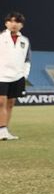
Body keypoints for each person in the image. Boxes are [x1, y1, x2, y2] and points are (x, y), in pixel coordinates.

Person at [0, 12, 31, 141]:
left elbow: (27, 60)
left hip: (17, 76)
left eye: (17, 22)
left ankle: (5, 130)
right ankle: (1, 129)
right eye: (11, 21)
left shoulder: (25, 41)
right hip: (1, 76)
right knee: (1, 102)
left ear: (21, 25)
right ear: (6, 23)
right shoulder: (1, 38)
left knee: (11, 103)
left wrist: (24, 74)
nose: (14, 24)